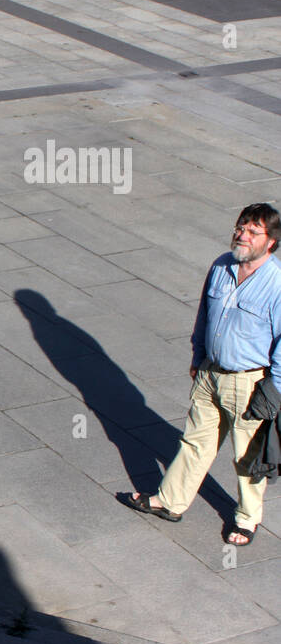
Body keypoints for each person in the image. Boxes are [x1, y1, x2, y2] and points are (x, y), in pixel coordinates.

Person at [120, 203, 281, 546]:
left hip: (249, 381)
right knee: (195, 441)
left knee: (247, 455)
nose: (242, 234)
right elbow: (204, 316)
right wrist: (197, 355)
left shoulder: (277, 283)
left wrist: (274, 389)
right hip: (210, 372)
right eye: (241, 227)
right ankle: (170, 501)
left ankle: (247, 519)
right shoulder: (221, 265)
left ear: (271, 242)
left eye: (253, 231)